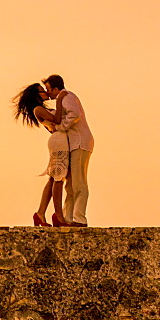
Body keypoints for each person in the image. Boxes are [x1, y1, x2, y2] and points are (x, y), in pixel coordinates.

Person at [12, 83, 69, 227]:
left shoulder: (42, 109)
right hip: (58, 141)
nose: (45, 92)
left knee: (53, 179)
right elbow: (57, 120)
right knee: (58, 179)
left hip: (59, 140)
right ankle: (59, 216)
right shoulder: (38, 109)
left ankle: (40, 213)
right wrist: (60, 99)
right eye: (41, 91)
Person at [43, 74, 94, 227]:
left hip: (80, 142)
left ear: (56, 88)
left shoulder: (66, 96)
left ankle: (80, 219)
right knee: (70, 184)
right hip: (73, 143)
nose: (49, 94)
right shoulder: (62, 99)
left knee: (79, 182)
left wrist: (60, 127)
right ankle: (69, 217)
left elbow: (75, 114)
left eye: (49, 90)